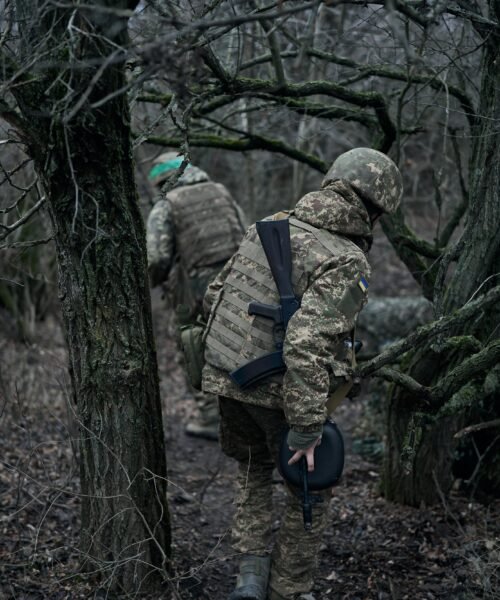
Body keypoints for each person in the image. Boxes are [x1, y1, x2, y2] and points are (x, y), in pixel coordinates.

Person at [201, 148, 403, 599]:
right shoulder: (347, 260)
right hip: (280, 391)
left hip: (228, 379)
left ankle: (249, 579)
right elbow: (305, 343)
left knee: (252, 470)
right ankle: (289, 590)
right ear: (375, 209)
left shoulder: (267, 226)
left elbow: (214, 296)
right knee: (308, 487)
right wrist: (308, 427)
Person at [146, 152, 247, 440]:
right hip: (242, 282)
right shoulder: (221, 191)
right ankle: (248, 415)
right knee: (242, 345)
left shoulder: (167, 204)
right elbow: (247, 231)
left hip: (197, 289)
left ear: (164, 180)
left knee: (191, 347)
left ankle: (211, 417)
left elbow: (156, 257)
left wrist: (154, 282)